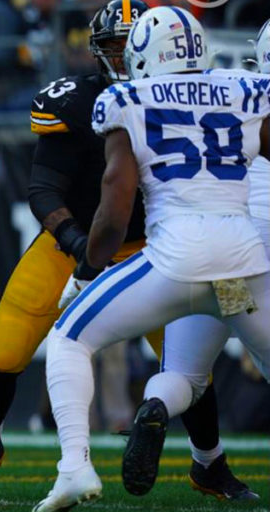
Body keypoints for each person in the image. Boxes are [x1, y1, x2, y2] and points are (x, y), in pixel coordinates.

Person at [0, 0, 253, 503]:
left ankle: (209, 464)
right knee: (3, 349)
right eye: (117, 48)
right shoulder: (80, 102)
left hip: (157, 247)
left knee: (190, 363)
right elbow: (44, 190)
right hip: (74, 243)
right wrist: (81, 249)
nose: (128, 59)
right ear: (97, 53)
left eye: (137, 49)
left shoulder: (194, 100)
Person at [34, 7, 270, 510]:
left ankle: (74, 469)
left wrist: (87, 271)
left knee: (69, 339)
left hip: (176, 259)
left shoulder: (125, 98)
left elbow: (115, 204)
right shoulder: (240, 88)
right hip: (243, 264)